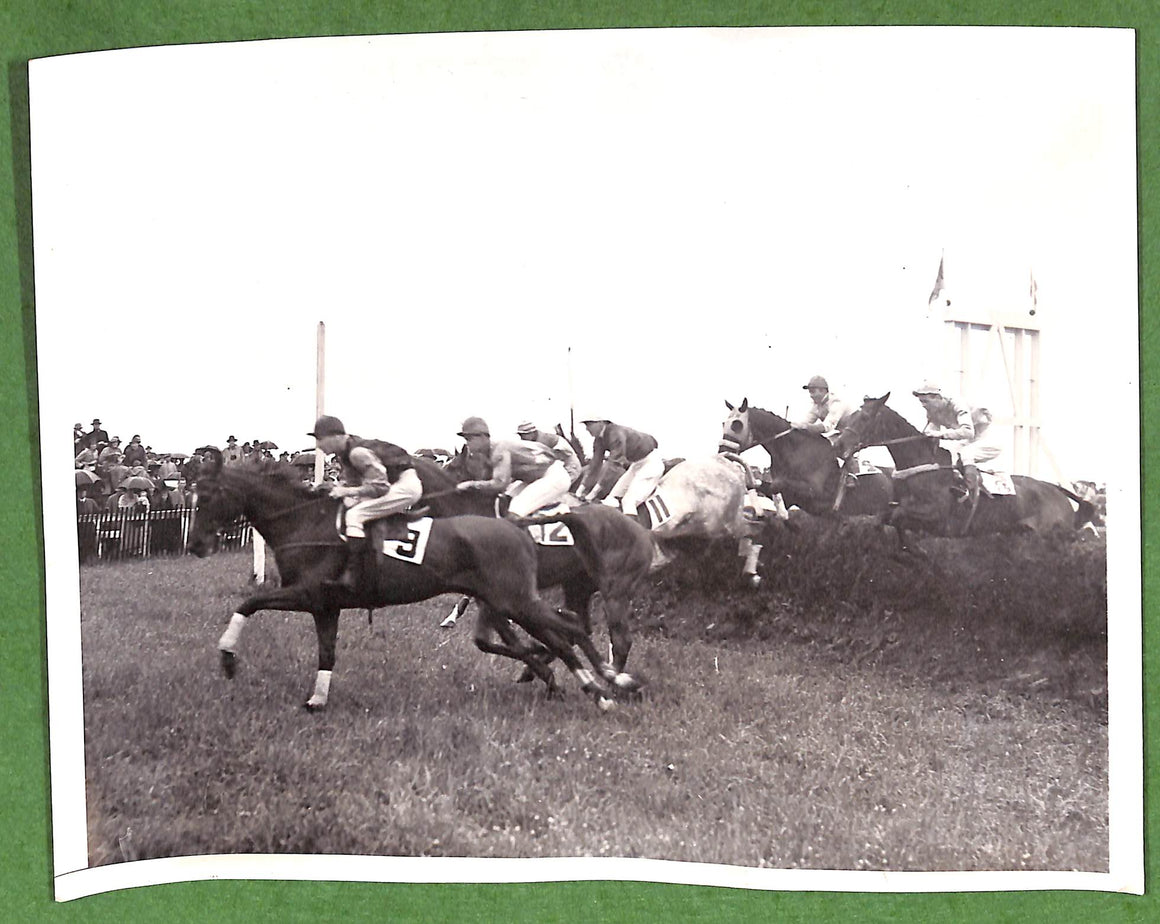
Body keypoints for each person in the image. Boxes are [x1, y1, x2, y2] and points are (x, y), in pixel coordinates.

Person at [309, 414, 423, 591]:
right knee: (348, 505)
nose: (318, 445)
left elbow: (380, 487)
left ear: (336, 436)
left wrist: (346, 491)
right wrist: (335, 488)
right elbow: (354, 483)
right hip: (396, 482)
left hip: (405, 486)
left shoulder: (357, 453)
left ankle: (355, 574)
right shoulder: (345, 453)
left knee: (355, 515)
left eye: (321, 439)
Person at [912, 380, 1002, 534]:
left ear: (937, 397)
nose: (923, 405)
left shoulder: (957, 405)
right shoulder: (932, 411)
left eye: (925, 401)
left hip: (987, 439)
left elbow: (968, 432)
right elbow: (931, 433)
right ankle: (954, 491)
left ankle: (970, 490)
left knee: (966, 454)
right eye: (921, 402)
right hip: (967, 440)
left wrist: (939, 434)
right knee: (948, 456)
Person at [455, 416, 572, 517]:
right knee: (503, 503)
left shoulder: (499, 450)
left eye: (469, 439)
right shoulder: (486, 454)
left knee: (514, 512)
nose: (467, 444)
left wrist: (470, 485)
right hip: (535, 478)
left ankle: (525, 542)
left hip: (553, 476)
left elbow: (500, 483)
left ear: (482, 436)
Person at [574, 417, 664, 517]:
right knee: (610, 499)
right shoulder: (599, 440)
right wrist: (580, 490)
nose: (587, 429)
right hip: (636, 464)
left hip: (651, 464)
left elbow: (613, 465)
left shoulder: (615, 434)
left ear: (601, 422)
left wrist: (593, 494)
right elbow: (595, 465)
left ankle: (631, 531)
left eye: (589, 424)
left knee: (628, 502)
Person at [515, 420, 583, 487]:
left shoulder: (546, 441)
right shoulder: (537, 441)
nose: (522, 438)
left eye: (523, 435)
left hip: (570, 468)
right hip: (560, 468)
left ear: (531, 433)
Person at [793, 375, 854, 443]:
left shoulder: (836, 403)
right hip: (841, 433)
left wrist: (805, 426)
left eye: (812, 391)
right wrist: (793, 425)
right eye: (810, 392)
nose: (811, 395)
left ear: (822, 391)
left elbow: (827, 426)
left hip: (855, 434)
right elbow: (806, 421)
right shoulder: (816, 405)